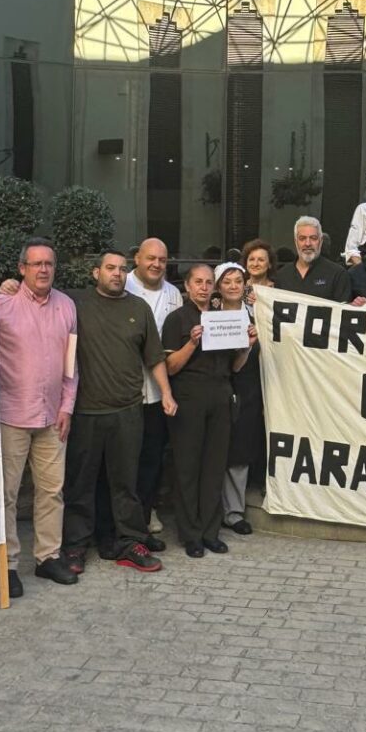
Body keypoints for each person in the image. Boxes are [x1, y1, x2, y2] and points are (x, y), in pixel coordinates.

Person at [63, 250, 176, 574]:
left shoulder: (137, 308)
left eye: (122, 269)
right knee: (81, 485)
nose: (117, 273)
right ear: (95, 272)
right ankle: (75, 548)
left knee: (126, 484)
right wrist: (11, 286)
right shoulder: (74, 305)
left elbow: (154, 357)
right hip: (85, 412)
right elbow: (39, 298)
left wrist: (166, 393)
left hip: (128, 411)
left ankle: (130, 543)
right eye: (110, 268)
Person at [0, 240, 79, 593]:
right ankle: (6, 566)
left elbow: (71, 363)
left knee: (52, 491)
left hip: (52, 417)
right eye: (36, 264)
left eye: (49, 264)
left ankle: (47, 558)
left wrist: (67, 406)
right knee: (7, 494)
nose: (43, 270)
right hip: (10, 414)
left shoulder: (67, 306)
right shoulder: (1, 305)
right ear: (22, 268)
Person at [162, 263, 255, 557]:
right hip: (189, 396)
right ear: (187, 287)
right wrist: (192, 342)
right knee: (188, 467)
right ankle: (190, 534)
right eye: (197, 282)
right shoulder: (176, 319)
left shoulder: (223, 318)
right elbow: (170, 366)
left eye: (207, 282)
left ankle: (210, 531)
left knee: (215, 466)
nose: (203, 287)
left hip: (220, 394)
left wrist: (248, 346)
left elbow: (235, 366)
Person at [123, 238, 181, 544]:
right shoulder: (123, 284)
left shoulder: (173, 294)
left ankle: (146, 514)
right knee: (124, 459)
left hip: (158, 392)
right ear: (137, 259)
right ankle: (125, 519)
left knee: (151, 458)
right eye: (150, 258)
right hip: (125, 390)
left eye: (162, 259)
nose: (156, 264)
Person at [221, 253, 264, 535]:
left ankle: (234, 511)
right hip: (218, 387)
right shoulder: (210, 314)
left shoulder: (257, 314)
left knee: (240, 450)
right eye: (228, 281)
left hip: (248, 391)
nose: (234, 286)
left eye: (239, 280)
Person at [272, 216, 351, 301]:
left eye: (313, 238)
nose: (308, 243)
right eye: (302, 238)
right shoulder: (282, 276)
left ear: (320, 241)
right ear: (296, 242)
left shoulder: (337, 275)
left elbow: (344, 311)